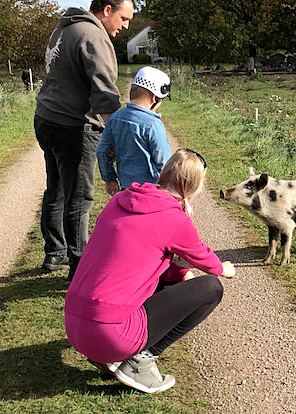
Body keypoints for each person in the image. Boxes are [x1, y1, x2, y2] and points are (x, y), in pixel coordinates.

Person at [65, 148, 236, 393]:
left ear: (165, 173)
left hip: (74, 325)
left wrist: (179, 274)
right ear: (193, 187)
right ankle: (140, 361)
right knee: (211, 288)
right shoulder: (174, 219)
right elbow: (204, 259)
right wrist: (223, 268)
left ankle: (109, 356)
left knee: (174, 279)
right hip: (109, 334)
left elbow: (140, 258)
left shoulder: (119, 201)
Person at [34, 0, 135, 279]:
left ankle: (55, 252)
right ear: (107, 10)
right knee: (79, 198)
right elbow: (104, 93)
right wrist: (117, 136)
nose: (125, 27)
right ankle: (80, 268)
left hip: (46, 118)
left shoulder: (65, 28)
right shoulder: (93, 36)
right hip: (73, 126)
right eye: (123, 19)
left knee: (56, 190)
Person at [96, 66, 172, 195]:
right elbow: (164, 162)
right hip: (151, 190)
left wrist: (110, 179)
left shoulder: (115, 118)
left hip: (126, 190)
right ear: (154, 98)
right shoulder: (153, 124)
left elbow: (102, 151)